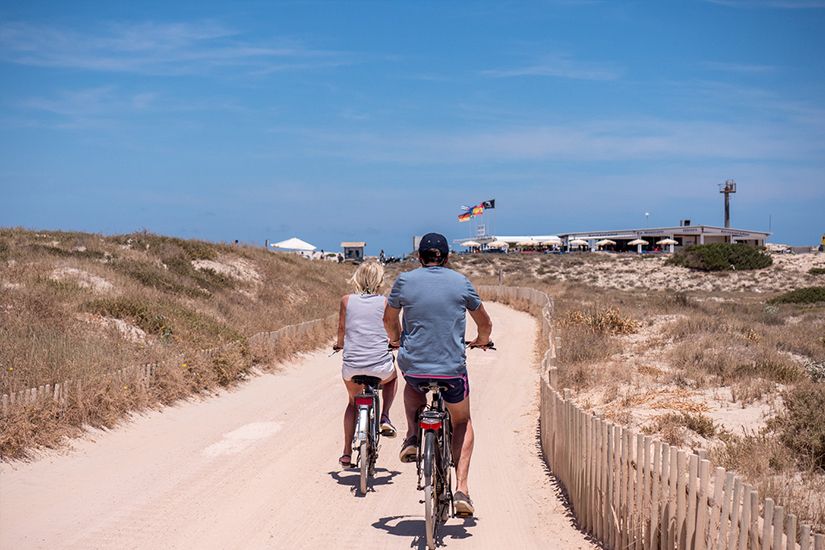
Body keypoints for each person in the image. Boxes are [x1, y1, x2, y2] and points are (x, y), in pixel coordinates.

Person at [383, 232, 493, 517]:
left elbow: (389, 318)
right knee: (462, 420)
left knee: (412, 387)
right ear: (447, 257)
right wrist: (482, 340)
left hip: (415, 367)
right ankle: (462, 489)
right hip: (451, 371)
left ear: (419, 257)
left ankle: (411, 436)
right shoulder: (461, 282)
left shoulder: (405, 281)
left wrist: (396, 339)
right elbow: (485, 323)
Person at [334, 261, 398, 469]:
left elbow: (342, 329)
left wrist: (339, 345)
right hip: (379, 366)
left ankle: (345, 453)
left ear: (358, 278)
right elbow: (392, 330)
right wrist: (395, 342)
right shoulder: (385, 302)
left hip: (352, 366)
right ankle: (385, 416)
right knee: (392, 378)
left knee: (353, 402)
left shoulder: (346, 300)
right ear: (379, 281)